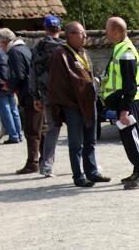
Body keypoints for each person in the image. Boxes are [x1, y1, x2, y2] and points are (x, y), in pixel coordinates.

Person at [47, 22, 110, 188]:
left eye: (85, 33)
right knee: (76, 142)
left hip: (89, 102)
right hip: (73, 104)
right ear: (69, 35)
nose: (85, 36)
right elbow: (58, 83)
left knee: (91, 139)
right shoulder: (60, 55)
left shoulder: (84, 52)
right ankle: (78, 175)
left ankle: (92, 171)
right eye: (81, 33)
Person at [102, 16, 139, 189]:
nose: (105, 34)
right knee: (128, 140)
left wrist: (124, 109)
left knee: (133, 139)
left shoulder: (126, 51)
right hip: (124, 103)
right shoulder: (119, 48)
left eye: (107, 30)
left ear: (116, 31)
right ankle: (137, 171)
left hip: (128, 103)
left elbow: (129, 84)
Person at [29, 15, 63, 177]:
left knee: (52, 130)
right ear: (60, 29)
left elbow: (33, 74)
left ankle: (47, 167)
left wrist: (35, 96)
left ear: (45, 29)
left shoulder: (37, 48)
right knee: (78, 129)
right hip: (66, 95)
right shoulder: (65, 47)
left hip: (47, 95)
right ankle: (82, 165)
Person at [4, 29, 42, 174]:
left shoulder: (14, 52)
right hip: (36, 92)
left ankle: (33, 163)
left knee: (32, 131)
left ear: (4, 42)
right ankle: (45, 159)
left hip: (28, 94)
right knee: (41, 129)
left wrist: (10, 87)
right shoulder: (26, 49)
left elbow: (19, 75)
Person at [0, 29, 21, 144]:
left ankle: (13, 136)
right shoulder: (10, 50)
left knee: (5, 111)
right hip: (10, 83)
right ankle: (19, 134)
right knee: (14, 110)